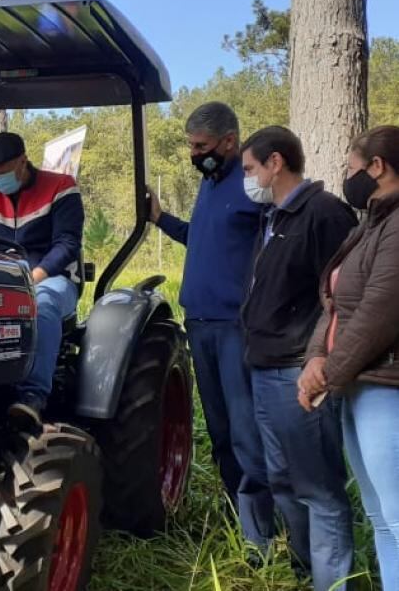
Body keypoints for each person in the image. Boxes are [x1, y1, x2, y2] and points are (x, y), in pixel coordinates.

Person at [148, 102, 274, 549]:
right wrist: (161, 219)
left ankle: (260, 536)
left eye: (200, 146)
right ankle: (233, 511)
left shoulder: (253, 185)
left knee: (245, 431)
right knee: (219, 429)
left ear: (229, 142)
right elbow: (199, 238)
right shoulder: (209, 183)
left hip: (235, 327)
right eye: (190, 146)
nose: (194, 153)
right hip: (199, 325)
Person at [239, 126, 356, 590]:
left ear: (275, 163)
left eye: (250, 168)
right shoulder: (273, 217)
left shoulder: (324, 214)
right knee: (283, 478)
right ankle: (307, 570)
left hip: (298, 372)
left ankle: (334, 582)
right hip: (265, 367)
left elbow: (343, 297)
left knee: (319, 489)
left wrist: (320, 360)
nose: (247, 179)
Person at [300, 125, 399, 591]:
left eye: (350, 167)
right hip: (358, 384)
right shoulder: (370, 225)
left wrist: (328, 374)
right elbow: (335, 302)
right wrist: (315, 359)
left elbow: (381, 312)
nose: (347, 176)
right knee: (381, 517)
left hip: (387, 387)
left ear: (377, 167)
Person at [0, 132, 84, 428]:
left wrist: (33, 278)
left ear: (23, 162)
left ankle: (32, 396)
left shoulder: (60, 188)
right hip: (5, 278)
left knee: (42, 303)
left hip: (52, 277)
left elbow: (67, 244)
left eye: (3, 173)